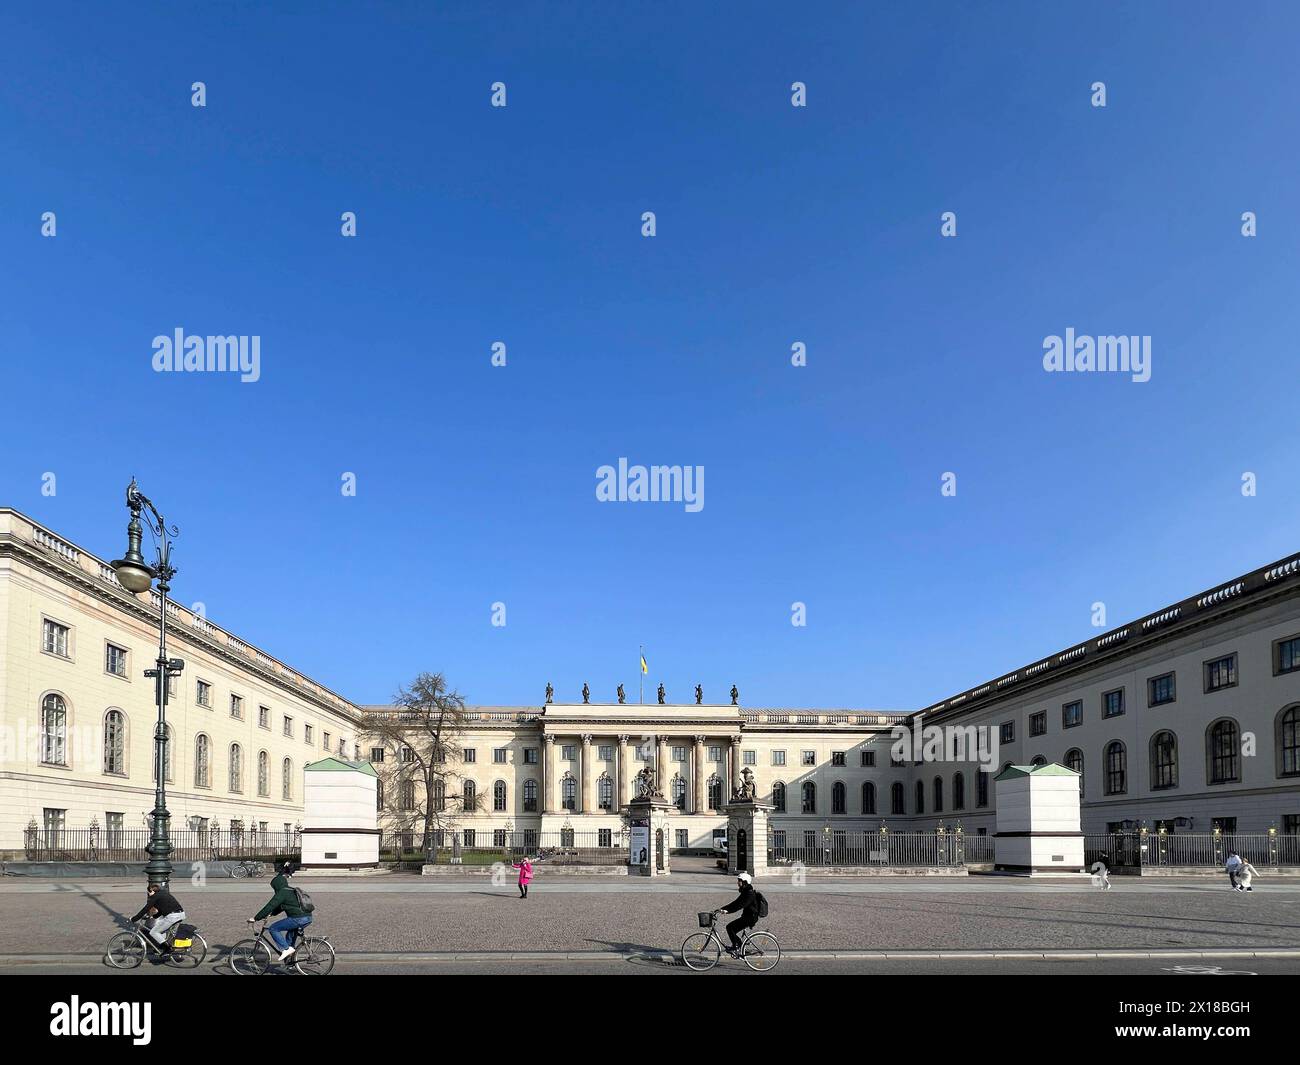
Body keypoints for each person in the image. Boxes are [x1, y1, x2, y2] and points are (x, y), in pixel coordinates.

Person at [249, 861, 312, 961]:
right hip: (307, 917)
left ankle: (285, 949)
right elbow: (281, 907)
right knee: (289, 937)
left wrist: (256, 918)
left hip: (298, 918)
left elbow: (270, 906)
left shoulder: (282, 892)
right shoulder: (291, 890)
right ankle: (290, 961)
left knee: (273, 929)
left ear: (276, 885)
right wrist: (271, 914)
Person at [130, 881, 187, 952]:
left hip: (172, 917)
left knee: (153, 932)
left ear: (151, 891)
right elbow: (161, 910)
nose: (149, 895)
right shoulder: (163, 893)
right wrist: (154, 917)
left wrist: (134, 919)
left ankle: (167, 948)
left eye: (149, 893)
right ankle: (161, 947)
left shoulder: (155, 896)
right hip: (180, 914)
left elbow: (146, 909)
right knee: (160, 929)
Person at [716, 871, 763, 956]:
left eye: (739, 881)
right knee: (732, 929)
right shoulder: (746, 891)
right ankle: (739, 947)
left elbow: (740, 905)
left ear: (744, 882)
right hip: (747, 916)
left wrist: (728, 911)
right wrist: (722, 909)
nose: (738, 882)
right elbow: (735, 903)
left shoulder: (749, 893)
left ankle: (736, 947)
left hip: (750, 918)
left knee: (730, 927)